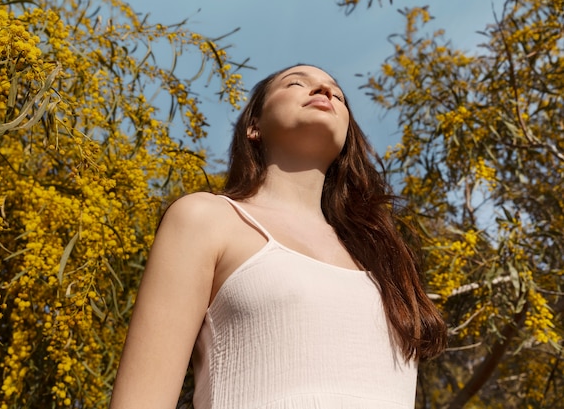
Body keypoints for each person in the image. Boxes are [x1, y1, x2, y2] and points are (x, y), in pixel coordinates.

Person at [109, 65, 447, 409]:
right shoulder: (206, 218)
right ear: (254, 126)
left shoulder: (385, 262)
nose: (324, 91)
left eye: (338, 94)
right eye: (297, 82)